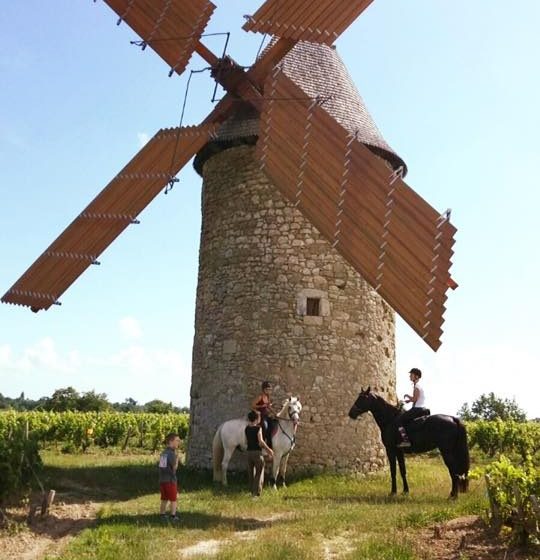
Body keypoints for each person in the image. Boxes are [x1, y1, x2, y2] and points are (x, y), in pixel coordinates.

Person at [396, 368, 430, 448]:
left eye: (411, 375)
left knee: (398, 420)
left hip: (418, 409)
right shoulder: (417, 386)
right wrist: (408, 401)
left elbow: (415, 399)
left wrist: (408, 397)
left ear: (417, 376)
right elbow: (416, 399)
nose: (410, 376)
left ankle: (406, 440)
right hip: (419, 407)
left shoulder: (417, 386)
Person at [245, 410, 273, 497]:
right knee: (258, 473)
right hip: (257, 453)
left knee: (250, 473)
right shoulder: (258, 428)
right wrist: (269, 450)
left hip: (249, 453)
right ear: (257, 419)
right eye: (259, 417)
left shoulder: (246, 428)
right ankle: (255, 494)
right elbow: (261, 442)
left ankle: (251, 491)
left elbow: (246, 441)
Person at [159, 432, 181, 521]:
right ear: (171, 441)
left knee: (164, 498)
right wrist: (177, 460)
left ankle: (162, 515)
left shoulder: (163, 453)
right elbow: (174, 468)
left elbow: (161, 467)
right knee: (173, 499)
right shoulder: (172, 454)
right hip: (171, 480)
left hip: (162, 480)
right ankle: (173, 516)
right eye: (177, 440)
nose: (178, 442)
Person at [251, 380, 276, 448]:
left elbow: (269, 407)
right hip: (260, 415)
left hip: (266, 415)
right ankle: (262, 443)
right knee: (265, 426)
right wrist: (261, 406)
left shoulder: (267, 397)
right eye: (267, 389)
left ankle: (270, 443)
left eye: (269, 389)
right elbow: (252, 405)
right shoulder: (260, 397)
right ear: (264, 389)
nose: (268, 391)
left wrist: (276, 413)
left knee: (273, 424)